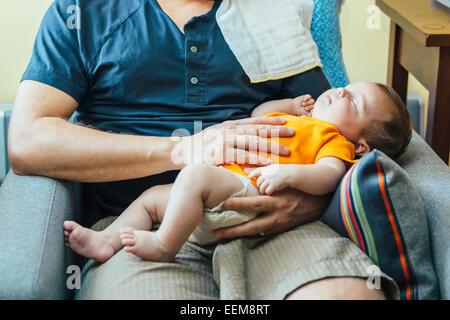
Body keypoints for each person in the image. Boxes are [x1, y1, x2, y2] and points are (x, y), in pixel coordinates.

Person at [9, 0, 400, 299]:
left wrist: (310, 200)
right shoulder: (81, 12)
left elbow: (334, 134)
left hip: (274, 220)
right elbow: (28, 142)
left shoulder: (273, 16)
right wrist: (185, 150)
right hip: (143, 227)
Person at [63, 81, 412, 262]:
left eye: (352, 100)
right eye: (345, 88)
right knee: (151, 199)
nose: (339, 91)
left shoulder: (334, 140)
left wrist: (290, 177)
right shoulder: (302, 119)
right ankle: (108, 241)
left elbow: (329, 174)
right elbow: (261, 112)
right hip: (219, 195)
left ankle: (165, 244)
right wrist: (288, 106)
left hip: (246, 192)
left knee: (193, 177)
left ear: (362, 146)